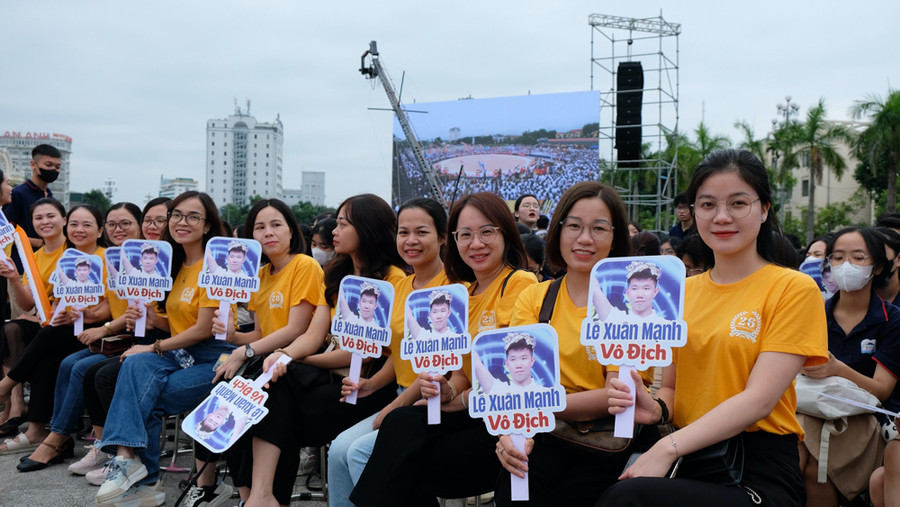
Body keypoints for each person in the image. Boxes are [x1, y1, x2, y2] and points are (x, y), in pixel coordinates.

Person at [598, 149, 828, 506]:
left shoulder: (792, 288)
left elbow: (759, 400)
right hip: (691, 458)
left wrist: (666, 447)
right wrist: (655, 408)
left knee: (630, 498)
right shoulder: (680, 292)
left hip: (755, 468)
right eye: (707, 205)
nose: (722, 217)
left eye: (738, 203)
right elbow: (673, 387)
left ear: (764, 209)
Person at [351, 191, 537, 507]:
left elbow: (509, 377)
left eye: (486, 232)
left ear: (506, 232)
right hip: (466, 410)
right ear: (454, 240)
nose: (475, 244)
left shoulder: (519, 283)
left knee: (398, 463)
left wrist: (457, 399)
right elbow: (463, 372)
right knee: (400, 429)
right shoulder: (462, 293)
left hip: (501, 422)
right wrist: (447, 389)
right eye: (465, 235)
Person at [493, 181, 654, 506]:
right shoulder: (534, 297)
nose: (584, 239)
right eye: (575, 226)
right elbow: (517, 384)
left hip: (602, 445)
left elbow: (617, 394)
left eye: (599, 228)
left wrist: (542, 407)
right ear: (558, 231)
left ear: (616, 237)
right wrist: (507, 435)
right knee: (514, 479)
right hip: (541, 437)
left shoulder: (632, 304)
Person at [245, 194, 407, 507]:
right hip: (333, 379)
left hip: (370, 385)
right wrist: (286, 356)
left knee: (275, 407)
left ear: (368, 229)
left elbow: (365, 353)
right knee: (265, 394)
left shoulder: (392, 281)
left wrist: (295, 357)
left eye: (343, 223)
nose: (334, 230)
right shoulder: (336, 274)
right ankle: (260, 496)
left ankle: (263, 497)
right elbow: (316, 333)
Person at [93, 191, 235, 505]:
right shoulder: (174, 264)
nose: (182, 222)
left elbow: (201, 330)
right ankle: (130, 463)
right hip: (181, 352)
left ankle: (143, 477)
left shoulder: (216, 267)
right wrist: (153, 321)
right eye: (177, 215)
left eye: (193, 216)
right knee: (133, 366)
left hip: (217, 356)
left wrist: (152, 345)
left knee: (144, 388)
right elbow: (179, 324)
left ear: (208, 225)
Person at [328, 197, 451, 507]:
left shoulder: (453, 289)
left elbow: (447, 365)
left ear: (442, 236)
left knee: (359, 454)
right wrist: (370, 384)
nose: (410, 241)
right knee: (338, 450)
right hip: (400, 395)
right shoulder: (401, 288)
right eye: (403, 232)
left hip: (429, 403)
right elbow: (400, 353)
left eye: (421, 232)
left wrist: (395, 406)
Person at [201, 198, 323, 505]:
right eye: (259, 227)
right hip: (266, 359)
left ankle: (264, 495)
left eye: (276, 224)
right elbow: (261, 331)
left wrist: (245, 351)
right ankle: (246, 494)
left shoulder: (304, 265)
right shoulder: (262, 275)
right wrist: (233, 336)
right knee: (225, 396)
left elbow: (296, 328)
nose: (268, 233)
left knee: (261, 399)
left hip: (297, 361)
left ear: (292, 230)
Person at [17, 203, 142, 473]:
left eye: (125, 223)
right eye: (113, 224)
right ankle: (57, 434)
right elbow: (106, 305)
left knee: (79, 365)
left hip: (127, 337)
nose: (118, 229)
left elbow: (132, 310)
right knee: (62, 360)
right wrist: (82, 315)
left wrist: (103, 326)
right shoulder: (96, 260)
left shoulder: (141, 260)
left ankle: (58, 437)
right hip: (105, 334)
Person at [797, 227, 900, 506]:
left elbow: (880, 391)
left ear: (877, 267)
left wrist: (837, 369)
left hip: (863, 419)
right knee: (800, 441)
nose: (846, 266)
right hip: (810, 406)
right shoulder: (814, 312)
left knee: (810, 460)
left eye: (857, 258)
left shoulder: (892, 321)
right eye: (838, 258)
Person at [0, 204, 110, 456]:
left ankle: (6, 386)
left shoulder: (106, 258)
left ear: (99, 229)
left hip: (95, 329)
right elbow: (57, 301)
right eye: (75, 224)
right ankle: (38, 429)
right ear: (67, 226)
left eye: (86, 225)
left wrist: (85, 314)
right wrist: (57, 313)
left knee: (46, 336)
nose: (79, 230)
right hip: (66, 328)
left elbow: (110, 306)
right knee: (46, 353)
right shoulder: (68, 260)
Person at [0, 198, 66, 438]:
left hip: (65, 324)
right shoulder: (34, 256)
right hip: (45, 322)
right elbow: (28, 303)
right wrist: (14, 279)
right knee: (10, 329)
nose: (45, 222)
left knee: (42, 336)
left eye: (51, 216)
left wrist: (40, 319)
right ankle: (14, 404)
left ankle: (6, 389)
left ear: (64, 219)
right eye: (38, 218)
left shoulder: (72, 251)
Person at [3, 145, 61, 320]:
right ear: (33, 165)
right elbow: (7, 232)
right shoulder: (18, 194)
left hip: (49, 270)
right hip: (21, 271)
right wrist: (41, 243)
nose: (53, 170)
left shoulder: (51, 197)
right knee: (22, 323)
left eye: (57, 167)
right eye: (49, 165)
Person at [592, 260, 668, 323]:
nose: (640, 295)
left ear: (655, 292)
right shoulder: (616, 321)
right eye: (634, 289)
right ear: (627, 292)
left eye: (646, 288)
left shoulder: (668, 327)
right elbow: (595, 291)